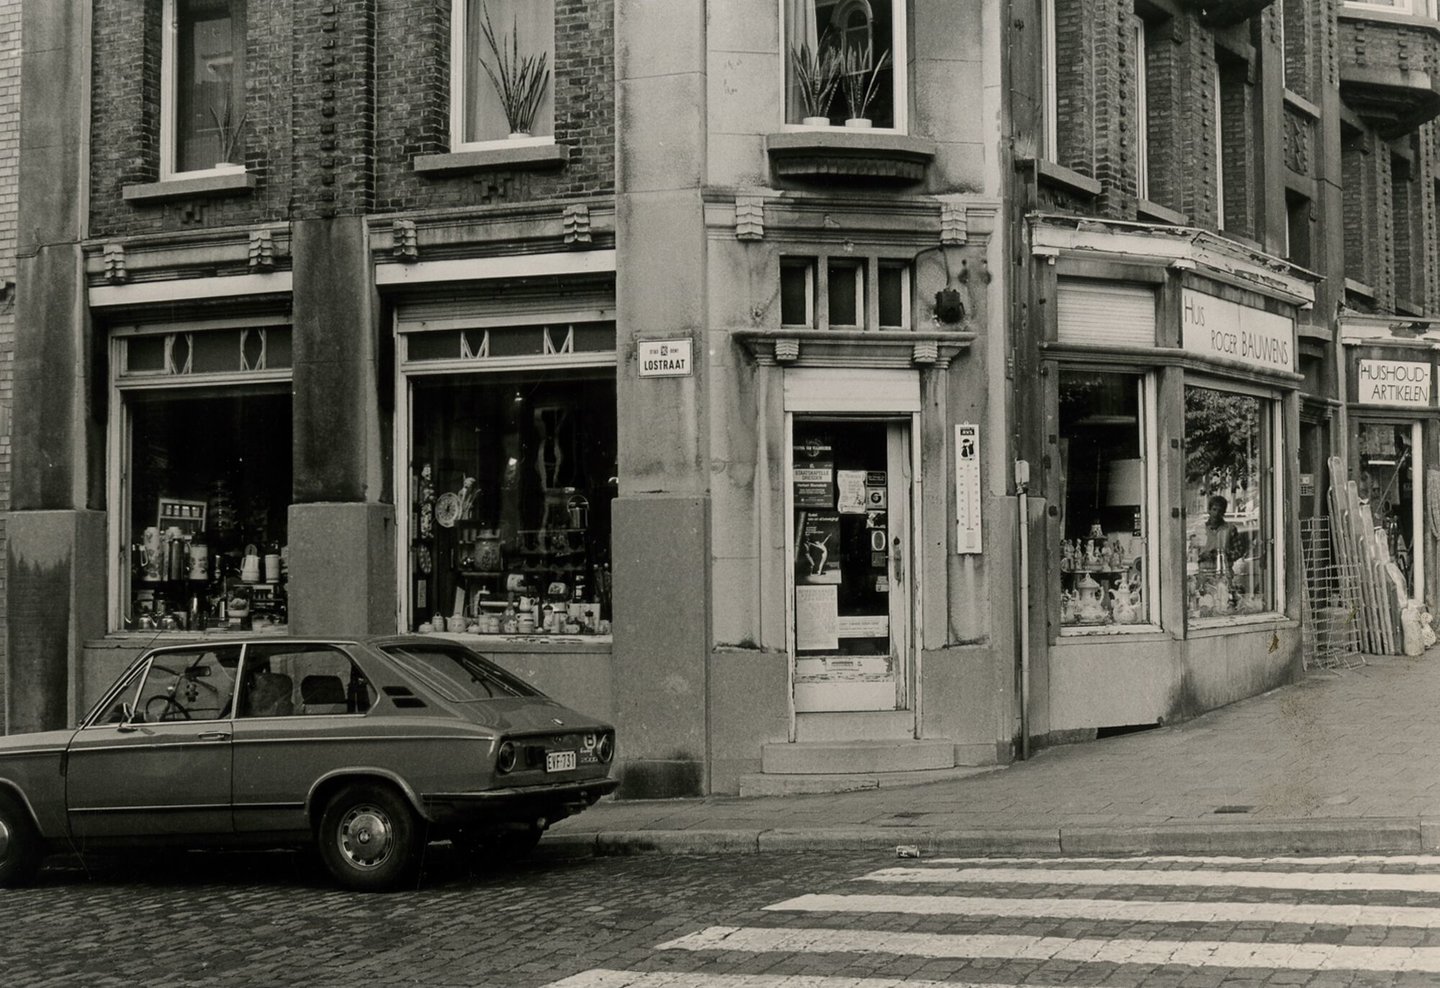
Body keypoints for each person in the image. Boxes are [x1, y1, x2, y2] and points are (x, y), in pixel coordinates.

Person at [1197, 494, 1239, 573]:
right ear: (1209, 510)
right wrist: (1203, 555)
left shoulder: (1230, 529)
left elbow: (1238, 551)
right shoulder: (1201, 529)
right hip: (1204, 572)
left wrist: (1222, 555)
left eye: (1220, 511)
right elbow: (1192, 554)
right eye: (1214, 509)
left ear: (1224, 512)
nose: (1216, 514)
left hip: (1224, 572)